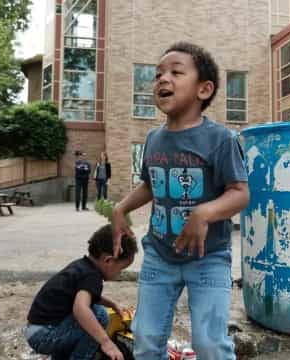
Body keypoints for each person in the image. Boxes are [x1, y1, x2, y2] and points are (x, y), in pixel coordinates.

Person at [112, 42, 250, 359]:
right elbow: (151, 184)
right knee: (145, 340)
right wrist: (121, 208)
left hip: (209, 258)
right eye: (158, 73)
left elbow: (240, 192)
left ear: (203, 89)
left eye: (176, 72)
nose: (163, 79)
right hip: (160, 255)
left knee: (209, 344)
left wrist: (205, 213)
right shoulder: (153, 138)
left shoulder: (221, 139)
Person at [24, 224, 138, 360]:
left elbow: (88, 296)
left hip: (37, 330)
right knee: (99, 315)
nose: (120, 274)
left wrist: (112, 304)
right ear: (108, 260)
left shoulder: (82, 266)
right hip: (44, 335)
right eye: (121, 269)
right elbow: (80, 308)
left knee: (95, 312)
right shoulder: (92, 276)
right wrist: (106, 342)